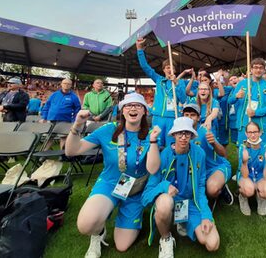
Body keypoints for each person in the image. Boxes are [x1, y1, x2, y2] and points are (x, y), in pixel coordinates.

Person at [65, 92, 161, 257]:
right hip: (110, 183)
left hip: (136, 189)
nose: (133, 108)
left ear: (144, 111)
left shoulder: (151, 134)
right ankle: (98, 232)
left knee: (122, 245)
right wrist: (77, 125)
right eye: (128, 105)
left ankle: (124, 212)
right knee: (86, 225)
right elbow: (72, 151)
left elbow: (153, 169)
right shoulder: (108, 130)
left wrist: (153, 141)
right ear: (122, 111)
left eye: (138, 105)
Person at [142, 117, 220, 258]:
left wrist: (206, 216)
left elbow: (201, 188)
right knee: (165, 203)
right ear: (173, 135)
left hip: (190, 204)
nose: (183, 137)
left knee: (212, 243)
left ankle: (183, 222)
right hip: (170, 202)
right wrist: (165, 186)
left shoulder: (199, 154)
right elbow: (146, 197)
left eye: (187, 133)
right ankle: (166, 238)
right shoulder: (163, 156)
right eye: (179, 133)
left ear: (192, 135)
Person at [136, 38, 187, 148]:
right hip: (158, 117)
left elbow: (183, 99)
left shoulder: (180, 82)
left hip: (172, 118)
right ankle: (156, 165)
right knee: (156, 144)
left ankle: (170, 164)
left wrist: (176, 83)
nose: (169, 69)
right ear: (163, 70)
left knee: (171, 145)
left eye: (172, 67)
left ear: (175, 70)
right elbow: (145, 67)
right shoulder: (159, 80)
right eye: (167, 67)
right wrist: (140, 50)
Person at [182, 103, 233, 205]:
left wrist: (214, 143)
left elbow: (224, 154)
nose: (189, 118)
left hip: (214, 167)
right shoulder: (179, 133)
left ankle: (221, 189)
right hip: (196, 170)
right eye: (186, 115)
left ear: (198, 118)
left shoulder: (204, 131)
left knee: (212, 190)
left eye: (192, 115)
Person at [228, 58, 266, 145]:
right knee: (244, 153)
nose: (258, 70)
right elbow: (230, 101)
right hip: (244, 125)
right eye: (255, 67)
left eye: (261, 68)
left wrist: (256, 112)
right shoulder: (242, 84)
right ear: (251, 69)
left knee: (262, 153)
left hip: (261, 125)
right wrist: (236, 96)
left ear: (264, 70)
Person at [237, 122, 266, 216]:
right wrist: (245, 162)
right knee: (248, 190)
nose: (253, 135)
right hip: (246, 176)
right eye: (250, 132)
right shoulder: (243, 147)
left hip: (261, 177)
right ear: (246, 134)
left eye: (255, 132)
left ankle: (261, 198)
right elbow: (245, 175)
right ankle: (243, 197)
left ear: (260, 133)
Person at [40, 78, 81, 149]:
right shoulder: (54, 95)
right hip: (51, 119)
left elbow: (77, 110)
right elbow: (47, 106)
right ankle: (43, 154)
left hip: (65, 120)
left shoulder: (74, 97)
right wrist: (44, 117)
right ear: (61, 84)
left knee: (63, 137)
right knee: (49, 137)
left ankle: (62, 155)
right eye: (64, 83)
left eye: (68, 84)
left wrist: (74, 121)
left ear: (71, 85)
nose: (66, 85)